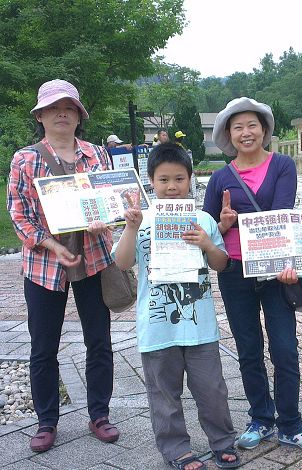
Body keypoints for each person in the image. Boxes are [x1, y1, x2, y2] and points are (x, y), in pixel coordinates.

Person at [203, 97, 302, 454]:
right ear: (228, 133)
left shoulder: (283, 166)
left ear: (264, 130)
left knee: (285, 349)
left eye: (252, 125)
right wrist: (222, 223)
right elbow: (210, 229)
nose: (246, 132)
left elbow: (282, 215)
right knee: (248, 350)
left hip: (277, 274)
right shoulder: (219, 179)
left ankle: (291, 423)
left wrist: (288, 263)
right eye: (237, 127)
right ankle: (260, 418)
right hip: (235, 272)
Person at [7, 79, 119, 452]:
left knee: (99, 340)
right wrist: (51, 245)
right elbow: (19, 214)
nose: (61, 113)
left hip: (93, 258)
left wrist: (109, 217)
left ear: (78, 115)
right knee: (43, 346)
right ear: (40, 115)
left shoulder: (96, 154)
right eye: (53, 108)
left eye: (69, 107)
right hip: (44, 264)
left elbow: (109, 200)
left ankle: (99, 414)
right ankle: (46, 422)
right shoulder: (26, 159)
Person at [113, 142, 240, 470]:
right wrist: (130, 226)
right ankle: (175, 448)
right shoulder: (140, 219)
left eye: (180, 179)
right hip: (157, 327)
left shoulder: (203, 220)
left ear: (191, 179)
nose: (172, 187)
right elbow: (123, 262)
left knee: (212, 390)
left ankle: (223, 441)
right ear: (151, 181)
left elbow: (222, 264)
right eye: (164, 179)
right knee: (164, 395)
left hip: (201, 327)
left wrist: (208, 244)